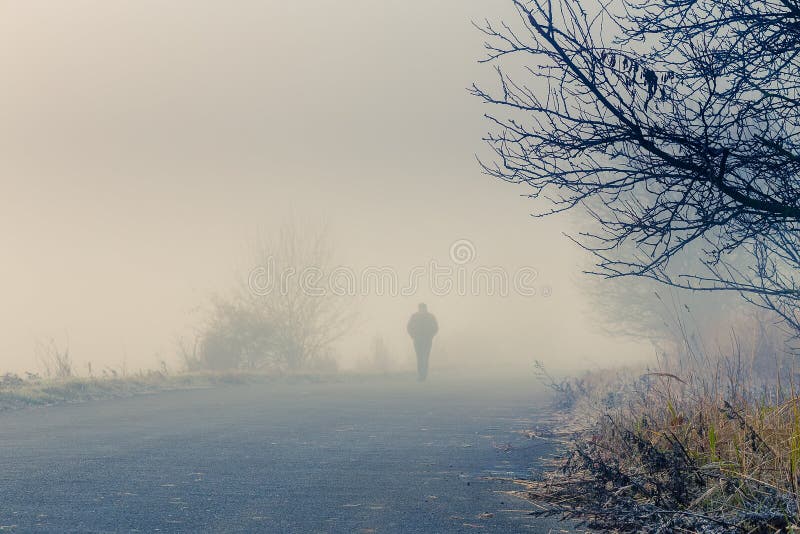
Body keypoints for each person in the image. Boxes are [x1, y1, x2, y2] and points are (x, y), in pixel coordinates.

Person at [407, 303, 438, 381]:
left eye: (423, 308)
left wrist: (431, 336)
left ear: (425, 308)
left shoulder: (430, 317)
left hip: (427, 341)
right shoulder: (414, 317)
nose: (422, 310)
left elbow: (435, 327)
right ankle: (421, 375)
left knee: (425, 358)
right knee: (420, 358)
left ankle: (424, 375)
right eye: (421, 308)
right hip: (418, 341)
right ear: (419, 309)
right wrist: (413, 336)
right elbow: (409, 327)